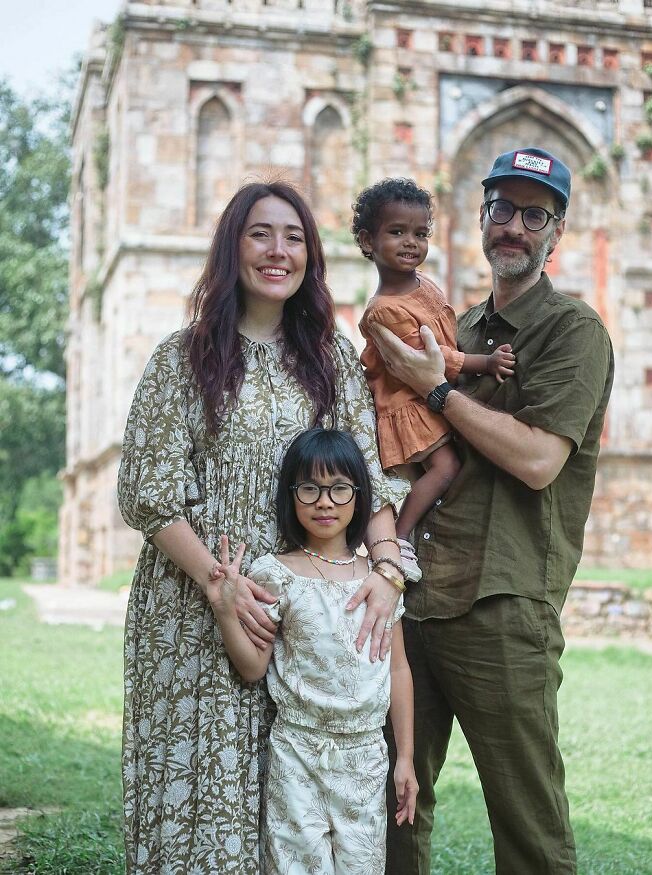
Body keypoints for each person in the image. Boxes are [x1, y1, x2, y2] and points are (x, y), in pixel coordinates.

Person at [117, 181, 408, 873]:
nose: (279, 251)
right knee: (201, 797)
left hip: (305, 616)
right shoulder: (181, 358)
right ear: (232, 247)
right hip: (195, 606)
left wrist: (390, 572)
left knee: (295, 810)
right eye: (260, 234)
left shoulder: (331, 359)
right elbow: (150, 493)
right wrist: (221, 585)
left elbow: (369, 476)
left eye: (294, 237)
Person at [371, 148, 615, 875]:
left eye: (532, 214)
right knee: (393, 802)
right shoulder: (459, 328)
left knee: (527, 826)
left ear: (556, 231)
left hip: (503, 604)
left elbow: (541, 460)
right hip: (416, 599)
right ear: (481, 219)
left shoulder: (573, 332)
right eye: (500, 209)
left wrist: (441, 390)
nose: (512, 226)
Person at [206, 428, 419, 875]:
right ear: (292, 495)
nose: (325, 501)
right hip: (297, 754)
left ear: (360, 497)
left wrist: (406, 759)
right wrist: (226, 610)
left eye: (339, 488)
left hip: (365, 757)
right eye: (311, 488)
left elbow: (398, 670)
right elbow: (252, 668)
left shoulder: (382, 580)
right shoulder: (276, 574)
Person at [354, 178, 515, 581]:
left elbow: (443, 331)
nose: (411, 243)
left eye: (420, 233)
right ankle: (397, 538)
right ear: (367, 241)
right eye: (396, 232)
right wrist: (484, 362)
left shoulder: (423, 285)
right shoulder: (384, 311)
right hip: (408, 405)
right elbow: (431, 360)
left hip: (427, 397)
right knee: (444, 467)